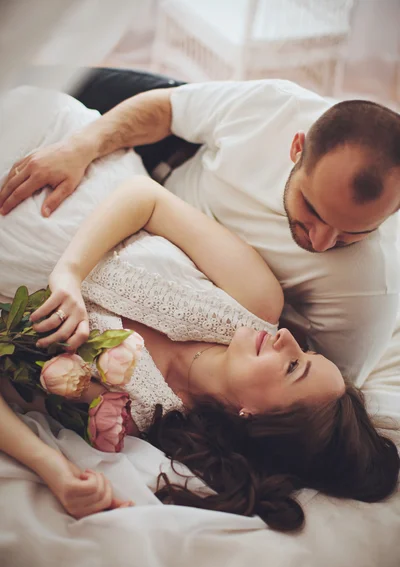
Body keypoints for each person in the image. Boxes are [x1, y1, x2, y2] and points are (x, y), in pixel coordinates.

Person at [2, 174, 397, 533]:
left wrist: (52, 468)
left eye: (294, 367)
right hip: (51, 190)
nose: (286, 339)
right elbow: (146, 197)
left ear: (258, 418)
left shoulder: (128, 414)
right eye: (305, 351)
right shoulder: (256, 301)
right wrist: (69, 271)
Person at [1, 69, 399, 388]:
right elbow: (167, 111)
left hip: (172, 253)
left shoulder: (368, 291)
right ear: (296, 149)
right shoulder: (274, 107)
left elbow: (323, 400)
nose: (322, 242)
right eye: (312, 210)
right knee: (48, 78)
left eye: (353, 233)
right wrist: (83, 146)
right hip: (164, 154)